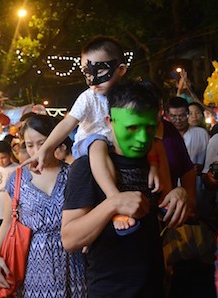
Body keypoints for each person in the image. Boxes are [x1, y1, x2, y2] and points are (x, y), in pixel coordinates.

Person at [61, 80, 188, 297]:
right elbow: (70, 239)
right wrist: (113, 203)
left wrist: (180, 194)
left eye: (149, 127)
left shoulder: (155, 160)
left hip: (155, 287)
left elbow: (167, 211)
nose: (141, 138)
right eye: (132, 128)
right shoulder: (87, 166)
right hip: (110, 290)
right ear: (110, 122)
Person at [23, 36, 159, 233]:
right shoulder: (88, 97)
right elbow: (67, 124)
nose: (93, 80)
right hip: (89, 145)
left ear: (120, 70)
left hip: (116, 152)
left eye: (101, 71)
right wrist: (46, 149)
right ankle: (115, 199)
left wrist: (154, 164)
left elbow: (148, 132)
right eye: (88, 72)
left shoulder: (127, 96)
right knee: (98, 143)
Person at [0, 114, 87, 297]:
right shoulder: (17, 179)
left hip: (73, 263)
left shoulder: (73, 175)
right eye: (29, 145)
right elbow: (7, 223)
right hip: (33, 266)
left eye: (42, 143)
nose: (36, 150)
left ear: (55, 139)